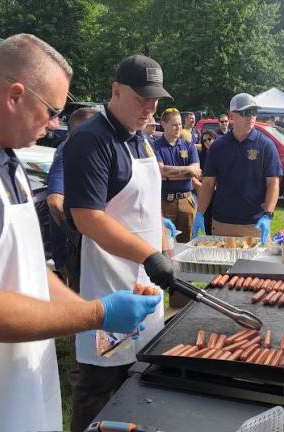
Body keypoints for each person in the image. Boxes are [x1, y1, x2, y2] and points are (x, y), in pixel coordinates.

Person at [0, 35, 162, 432]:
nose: (56, 123)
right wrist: (95, 314)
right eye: (53, 110)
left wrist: (90, 309)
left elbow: (30, 270)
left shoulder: (6, 157)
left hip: (2, 374)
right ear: (16, 95)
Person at [63, 54, 175, 432]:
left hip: (147, 283)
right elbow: (87, 217)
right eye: (142, 97)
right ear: (116, 91)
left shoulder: (142, 140)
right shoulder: (91, 140)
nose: (150, 107)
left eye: (155, 99)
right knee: (99, 387)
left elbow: (146, 203)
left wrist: (164, 239)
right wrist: (150, 254)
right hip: (109, 289)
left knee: (140, 381)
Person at [193, 93, 282, 244]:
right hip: (222, 223)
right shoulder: (218, 146)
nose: (251, 116)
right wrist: (200, 213)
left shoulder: (266, 145)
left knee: (253, 268)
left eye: (254, 112)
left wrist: (268, 215)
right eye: (246, 112)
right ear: (232, 115)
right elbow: (208, 184)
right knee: (222, 268)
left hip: (254, 224)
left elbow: (273, 183)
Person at [47, 107, 98, 290]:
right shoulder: (68, 150)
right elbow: (54, 201)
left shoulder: (83, 148)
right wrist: (75, 236)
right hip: (72, 251)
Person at [155, 107, 200, 244]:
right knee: (163, 243)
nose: (178, 127)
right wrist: (187, 170)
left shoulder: (188, 144)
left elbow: (196, 169)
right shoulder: (155, 146)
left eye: (180, 124)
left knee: (186, 243)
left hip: (186, 201)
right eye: (174, 124)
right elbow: (161, 171)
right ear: (163, 125)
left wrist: (170, 174)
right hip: (164, 202)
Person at [198, 129, 217, 234]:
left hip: (220, 193)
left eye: (209, 139)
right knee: (208, 223)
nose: (207, 142)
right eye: (204, 141)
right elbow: (198, 174)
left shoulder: (222, 153)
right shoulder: (201, 156)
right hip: (206, 191)